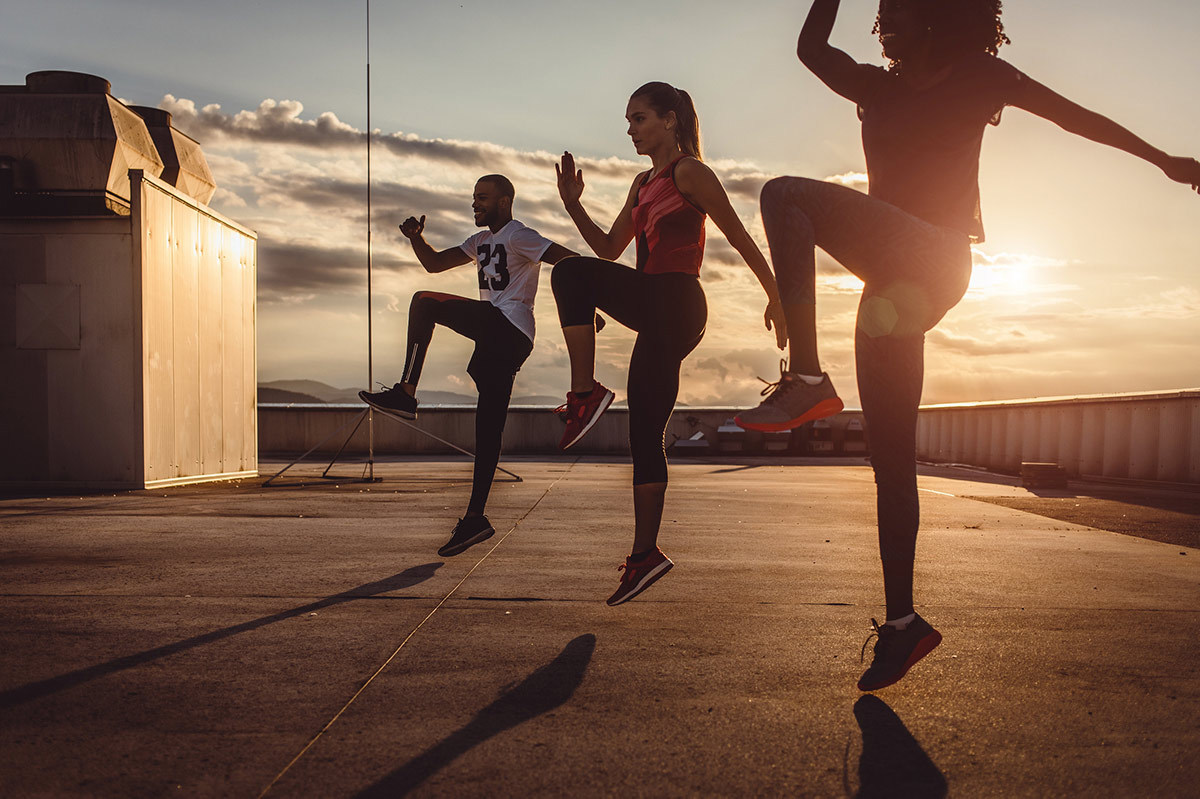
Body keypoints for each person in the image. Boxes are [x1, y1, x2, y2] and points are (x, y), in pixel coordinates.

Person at [735, 0, 1200, 691]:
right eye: (879, 15)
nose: (884, 23)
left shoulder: (980, 76)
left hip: (938, 256)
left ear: (938, 16)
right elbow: (810, 48)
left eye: (898, 11)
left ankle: (806, 374)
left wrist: (1163, 159)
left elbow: (1075, 116)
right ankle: (903, 624)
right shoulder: (877, 86)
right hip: (890, 289)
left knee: (782, 195)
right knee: (890, 459)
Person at [552, 81, 788, 606]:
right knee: (644, 430)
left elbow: (738, 234)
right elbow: (610, 250)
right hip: (656, 308)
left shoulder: (689, 173)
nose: (630, 129)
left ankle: (584, 393)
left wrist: (777, 296)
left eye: (639, 118)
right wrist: (573, 206)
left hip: (678, 298)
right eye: (629, 119)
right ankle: (645, 555)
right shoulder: (641, 183)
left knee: (569, 275)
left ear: (671, 120)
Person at [360, 175, 576, 558]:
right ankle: (475, 518)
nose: (474, 204)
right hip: (498, 340)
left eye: (483, 198)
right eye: (473, 197)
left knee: (424, 302)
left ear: (505, 201)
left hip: (509, 326)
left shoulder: (518, 235)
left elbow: (569, 260)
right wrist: (415, 238)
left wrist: (585, 305)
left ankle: (405, 394)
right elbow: (434, 264)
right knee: (488, 431)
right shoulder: (479, 242)